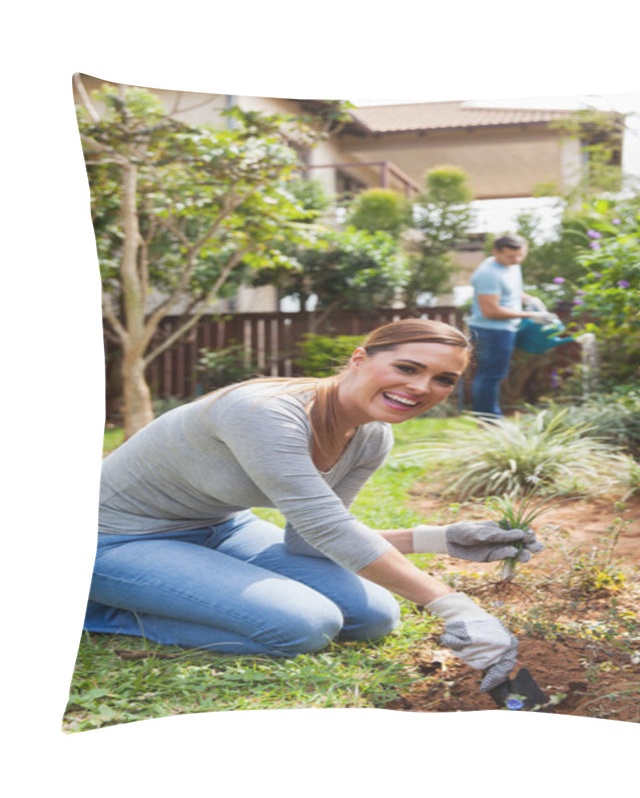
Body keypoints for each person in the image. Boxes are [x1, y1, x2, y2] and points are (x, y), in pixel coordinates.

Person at [84, 318, 544, 692]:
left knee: (374, 617)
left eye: (444, 380)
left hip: (220, 528)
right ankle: (95, 610)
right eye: (407, 368)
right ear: (360, 359)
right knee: (302, 627)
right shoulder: (263, 412)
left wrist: (442, 539)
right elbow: (329, 529)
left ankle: (181, 589)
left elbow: (310, 539)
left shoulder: (371, 436)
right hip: (113, 540)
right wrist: (457, 609)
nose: (422, 387)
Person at [468, 234, 560, 417]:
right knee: (489, 376)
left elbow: (511, 291)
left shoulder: (510, 266)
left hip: (504, 329)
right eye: (511, 256)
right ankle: (489, 419)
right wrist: (532, 315)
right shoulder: (488, 274)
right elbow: (490, 311)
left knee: (494, 375)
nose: (516, 260)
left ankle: (488, 416)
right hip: (490, 331)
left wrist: (528, 298)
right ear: (496, 252)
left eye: (521, 255)